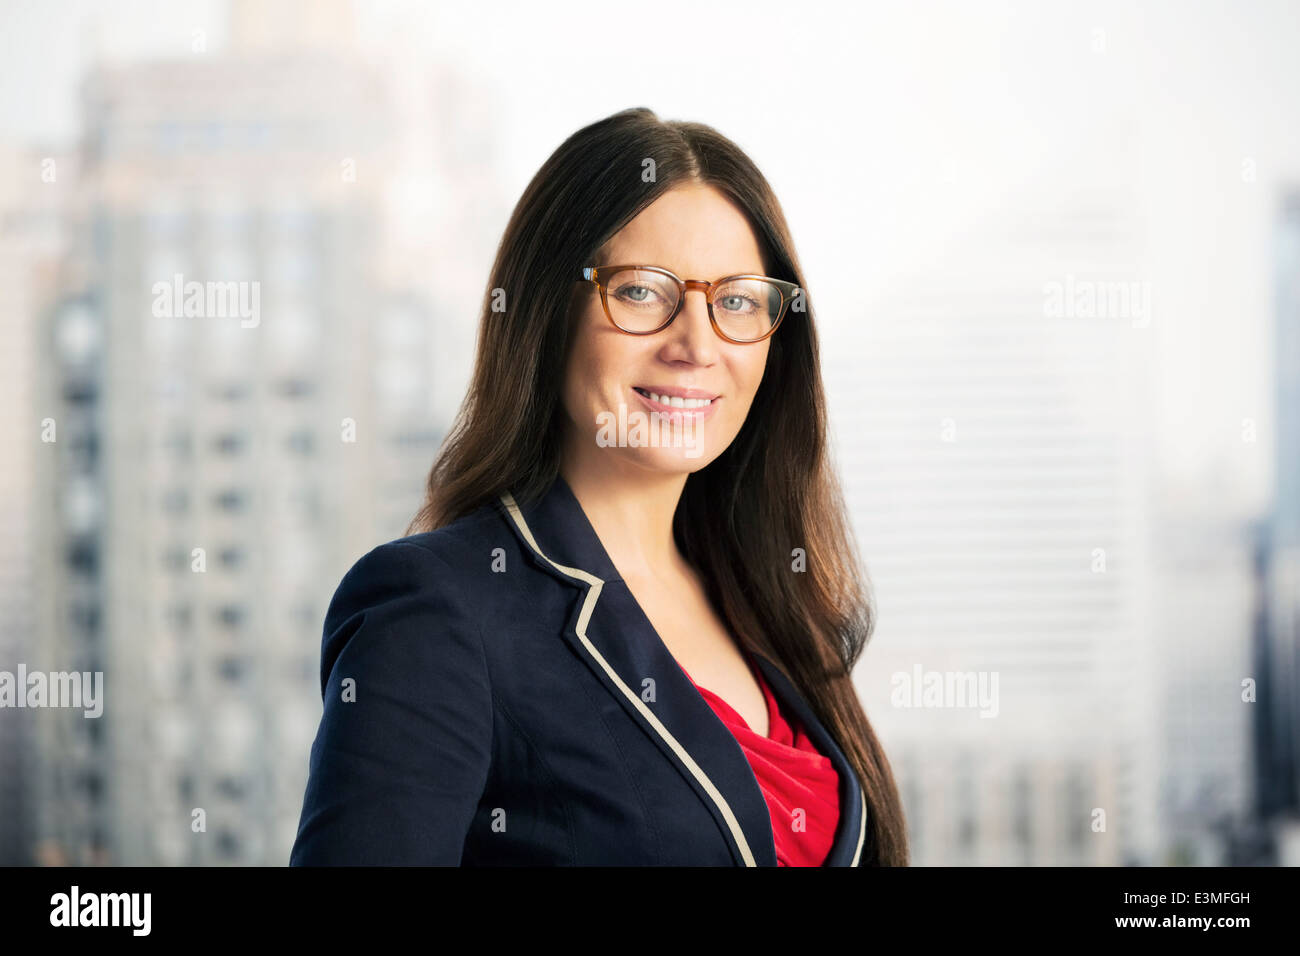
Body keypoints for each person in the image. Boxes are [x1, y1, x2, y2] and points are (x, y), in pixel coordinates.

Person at [290, 107, 908, 866]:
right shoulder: (438, 609)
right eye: (643, 292)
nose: (697, 344)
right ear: (549, 313)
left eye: (738, 301)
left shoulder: (772, 605)